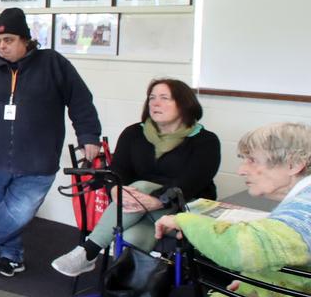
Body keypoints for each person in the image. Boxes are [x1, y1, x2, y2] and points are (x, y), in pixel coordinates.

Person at [0, 7, 101, 278]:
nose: (2, 46)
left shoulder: (53, 64)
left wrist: (88, 135)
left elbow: (80, 101)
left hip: (38, 158)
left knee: (19, 212)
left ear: (26, 41)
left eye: (9, 41)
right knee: (0, 211)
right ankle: (12, 257)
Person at [155, 123, 311, 297]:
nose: (241, 170)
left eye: (252, 160)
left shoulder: (305, 210)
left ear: (293, 165)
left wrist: (183, 220)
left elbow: (243, 250)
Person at [51, 79, 221, 277]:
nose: (155, 103)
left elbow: (191, 183)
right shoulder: (134, 133)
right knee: (131, 237)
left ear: (184, 104)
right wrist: (116, 190)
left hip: (183, 210)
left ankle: (89, 250)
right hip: (138, 211)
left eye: (164, 98)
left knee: (141, 185)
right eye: (152, 98)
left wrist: (156, 200)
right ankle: (129, 294)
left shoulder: (205, 141)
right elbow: (117, 171)